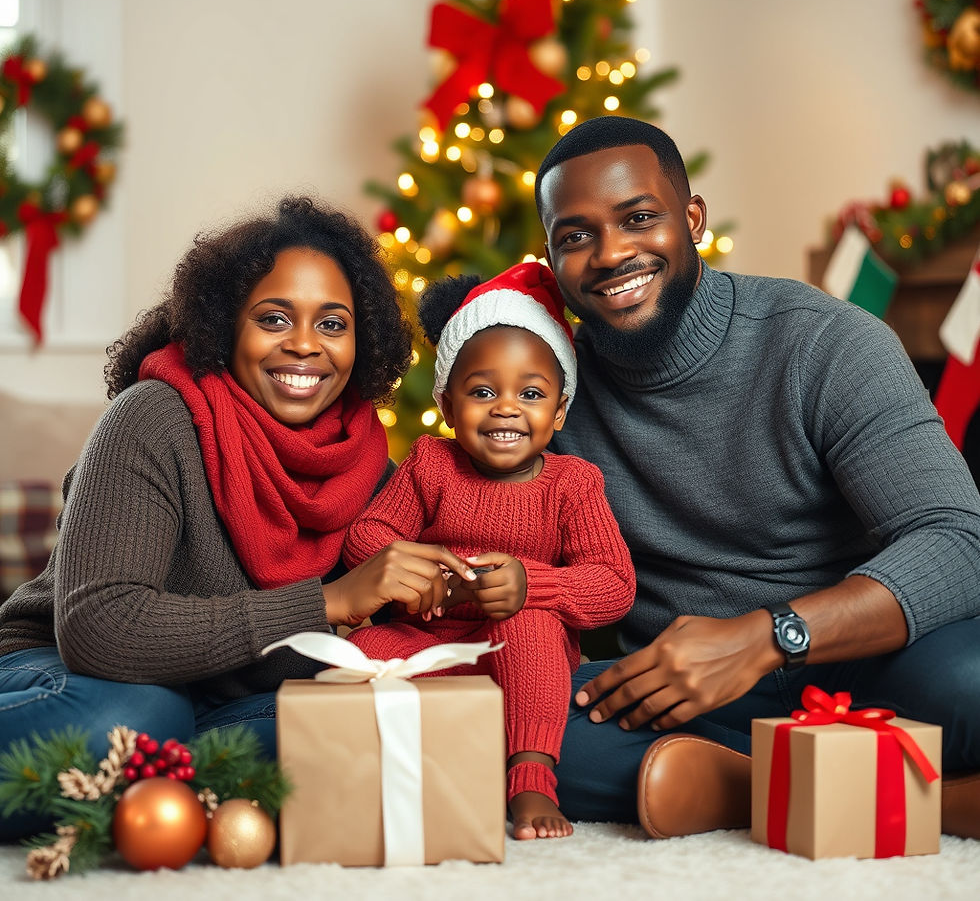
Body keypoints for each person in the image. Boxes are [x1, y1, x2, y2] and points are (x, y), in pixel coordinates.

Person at [532, 115, 980, 840]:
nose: (610, 253)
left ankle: (742, 784)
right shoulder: (546, 391)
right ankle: (796, 788)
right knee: (521, 723)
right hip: (693, 695)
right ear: (552, 259)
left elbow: (959, 541)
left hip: (868, 665)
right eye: (576, 236)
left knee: (970, 683)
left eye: (638, 218)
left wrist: (767, 638)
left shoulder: (824, 342)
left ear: (692, 219)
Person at [0, 196, 474, 841]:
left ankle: (167, 781)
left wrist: (465, 589)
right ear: (224, 326)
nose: (304, 344)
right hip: (75, 676)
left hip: (228, 704)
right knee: (137, 719)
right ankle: (166, 771)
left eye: (332, 324)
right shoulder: (152, 418)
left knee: (402, 732)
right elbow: (100, 628)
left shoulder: (370, 466)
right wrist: (329, 601)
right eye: (274, 318)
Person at [342, 262, 635, 840]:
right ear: (449, 407)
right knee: (362, 651)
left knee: (531, 624)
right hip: (430, 645)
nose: (506, 407)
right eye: (482, 392)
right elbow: (367, 536)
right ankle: (381, 769)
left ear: (559, 411)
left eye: (531, 393)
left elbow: (613, 584)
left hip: (522, 656)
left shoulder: (572, 484)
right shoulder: (432, 465)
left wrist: (534, 585)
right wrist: (416, 571)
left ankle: (531, 778)